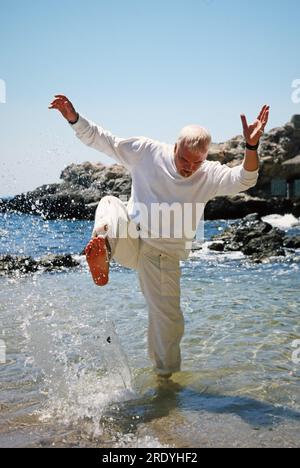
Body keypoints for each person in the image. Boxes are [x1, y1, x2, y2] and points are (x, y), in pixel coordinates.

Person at [49, 95, 269, 379]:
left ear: (205, 158)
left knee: (169, 323)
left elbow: (246, 179)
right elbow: (104, 140)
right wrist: (74, 118)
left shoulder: (209, 175)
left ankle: (165, 383)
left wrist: (251, 146)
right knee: (108, 204)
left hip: (163, 257)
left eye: (196, 162)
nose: (188, 167)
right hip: (130, 238)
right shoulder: (147, 151)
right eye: (183, 159)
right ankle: (102, 246)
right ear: (174, 146)